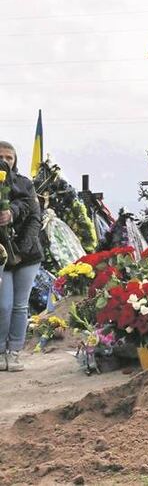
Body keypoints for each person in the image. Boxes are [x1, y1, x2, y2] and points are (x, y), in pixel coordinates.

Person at [0, 141, 44, 373]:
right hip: (2, 256)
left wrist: (22, 248)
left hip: (26, 254)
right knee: (3, 305)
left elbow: (34, 216)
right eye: (1, 157)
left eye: (9, 157)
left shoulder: (25, 184)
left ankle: (15, 352)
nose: (5, 161)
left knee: (19, 305)